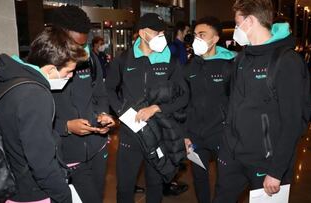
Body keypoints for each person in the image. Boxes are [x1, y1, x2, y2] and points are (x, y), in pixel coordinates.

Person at [213, 0, 308, 202]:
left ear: (249, 21)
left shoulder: (286, 61)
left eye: (238, 23)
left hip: (266, 162)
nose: (236, 29)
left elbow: (293, 122)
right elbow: (233, 105)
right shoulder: (242, 58)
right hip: (232, 156)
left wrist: (277, 170)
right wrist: (225, 148)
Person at [0, 27, 87, 203]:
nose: (71, 76)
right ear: (51, 69)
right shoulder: (35, 95)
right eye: (68, 72)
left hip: (10, 181)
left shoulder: (8, 78)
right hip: (32, 190)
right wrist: (65, 196)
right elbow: (42, 163)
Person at [105, 13, 189, 203]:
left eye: (163, 32)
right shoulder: (124, 59)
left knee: (155, 184)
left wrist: (156, 108)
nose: (161, 36)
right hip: (130, 134)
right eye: (156, 32)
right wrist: (123, 112)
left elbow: (184, 96)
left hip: (159, 133)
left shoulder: (170, 61)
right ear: (143, 33)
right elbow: (109, 89)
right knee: (125, 187)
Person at [50, 5, 115, 203]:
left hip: (97, 148)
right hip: (66, 153)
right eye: (75, 45)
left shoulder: (90, 59)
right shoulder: (44, 65)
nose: (81, 50)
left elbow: (100, 95)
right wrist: (66, 127)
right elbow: (34, 117)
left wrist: (103, 116)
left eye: (84, 44)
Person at [183, 16, 235, 203]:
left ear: (215, 39)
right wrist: (185, 134)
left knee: (226, 181)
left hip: (222, 134)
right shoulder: (189, 67)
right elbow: (184, 102)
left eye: (202, 35)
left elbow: (236, 102)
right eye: (195, 35)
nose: (197, 39)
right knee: (199, 178)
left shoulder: (230, 65)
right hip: (195, 135)